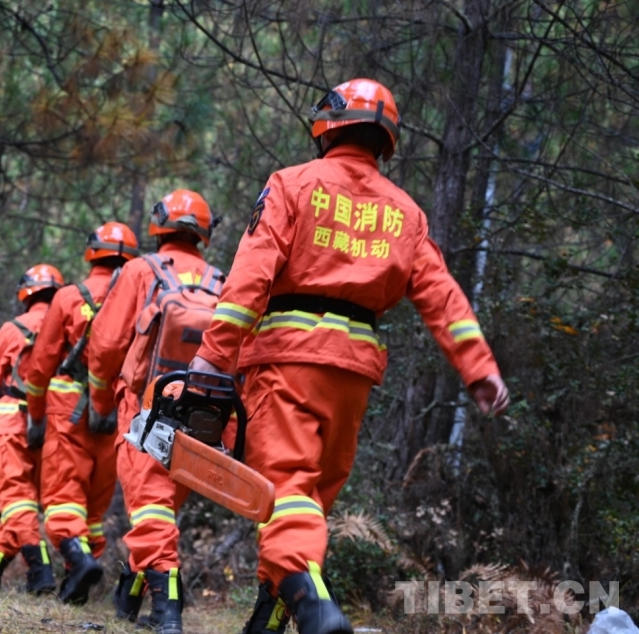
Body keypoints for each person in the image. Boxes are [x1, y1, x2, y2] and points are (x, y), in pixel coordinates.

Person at [187, 78, 510, 634]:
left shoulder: (292, 185)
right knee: (308, 503)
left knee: (285, 492)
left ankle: (317, 612)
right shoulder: (406, 213)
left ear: (326, 127)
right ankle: (268, 620)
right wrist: (478, 366)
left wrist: (214, 357)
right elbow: (443, 297)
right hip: (353, 376)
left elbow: (248, 280)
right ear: (386, 139)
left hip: (287, 363)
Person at [87, 189, 224, 633]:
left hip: (145, 406)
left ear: (159, 224)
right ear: (203, 232)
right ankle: (128, 599)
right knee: (159, 507)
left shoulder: (140, 271)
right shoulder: (222, 281)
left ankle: (169, 612)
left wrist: (100, 401)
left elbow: (106, 345)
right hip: (201, 414)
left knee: (150, 507)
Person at [24, 222, 140, 605]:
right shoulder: (142, 296)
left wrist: (36, 416)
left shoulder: (69, 297)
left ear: (91, 253)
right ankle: (78, 584)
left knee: (63, 495)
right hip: (117, 410)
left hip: (68, 409)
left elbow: (40, 366)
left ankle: (78, 559)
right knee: (94, 504)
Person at [0, 264, 65, 593]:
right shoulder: (69, 328)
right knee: (24, 503)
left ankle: (40, 567)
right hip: (55, 424)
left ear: (26, 294)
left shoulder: (12, 329)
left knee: (16, 499)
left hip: (11, 422)